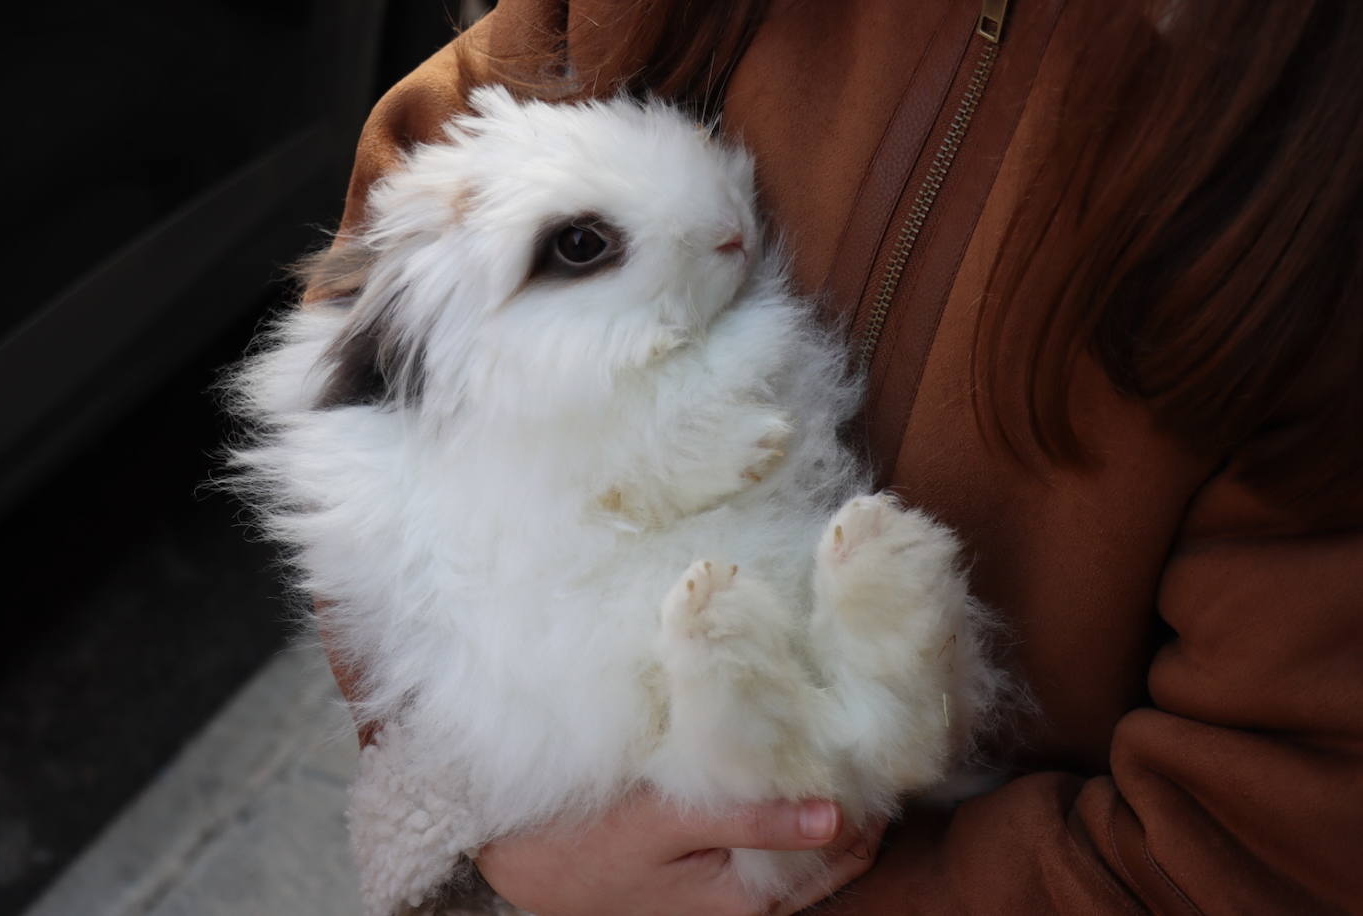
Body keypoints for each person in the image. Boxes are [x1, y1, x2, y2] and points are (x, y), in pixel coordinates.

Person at [322, 1, 1363, 912]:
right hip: (562, 725)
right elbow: (439, 157)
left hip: (967, 854)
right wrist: (487, 819)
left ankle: (845, 698)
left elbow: (1264, 847)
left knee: (801, 659)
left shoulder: (1311, 155)